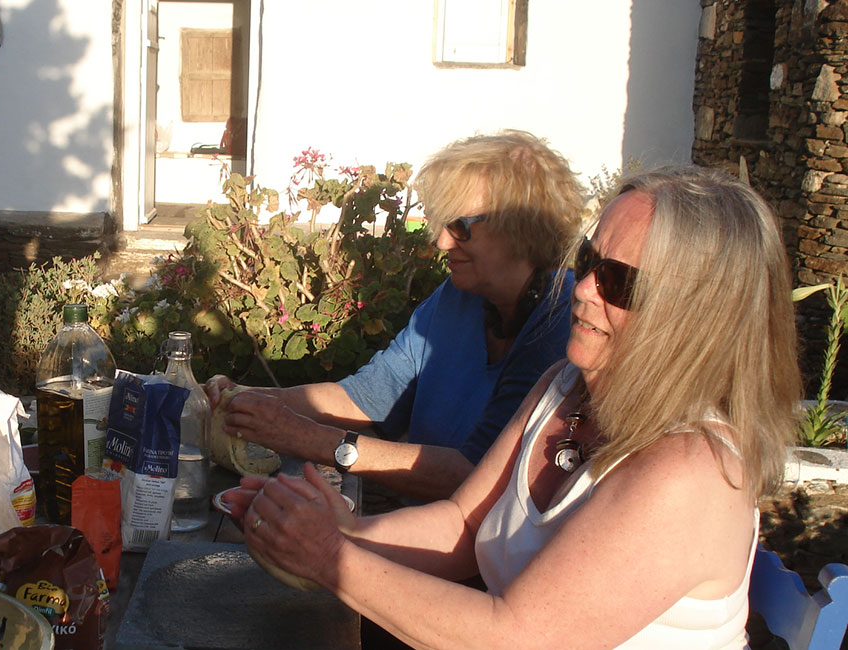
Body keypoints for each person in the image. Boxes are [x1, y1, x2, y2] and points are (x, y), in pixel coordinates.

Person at [224, 166, 799, 649]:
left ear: (699, 317)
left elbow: (516, 638)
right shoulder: (566, 386)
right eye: (588, 261)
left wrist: (330, 556)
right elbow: (462, 523)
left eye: (618, 282)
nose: (583, 288)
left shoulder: (690, 468)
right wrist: (340, 533)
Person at [208, 130, 586, 501]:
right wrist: (243, 399)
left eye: (460, 227)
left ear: (522, 228)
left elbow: (475, 475)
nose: (441, 242)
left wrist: (306, 438)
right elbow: (364, 399)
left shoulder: (562, 321)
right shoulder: (458, 297)